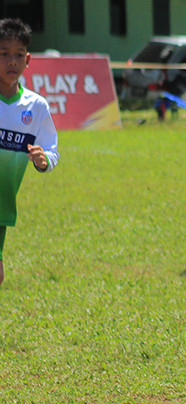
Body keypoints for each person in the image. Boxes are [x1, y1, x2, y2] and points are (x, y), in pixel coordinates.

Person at [0, 18, 58, 288]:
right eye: (4, 54)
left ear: (28, 59)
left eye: (18, 55)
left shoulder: (36, 107)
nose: (12, 61)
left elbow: (51, 149)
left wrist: (44, 161)